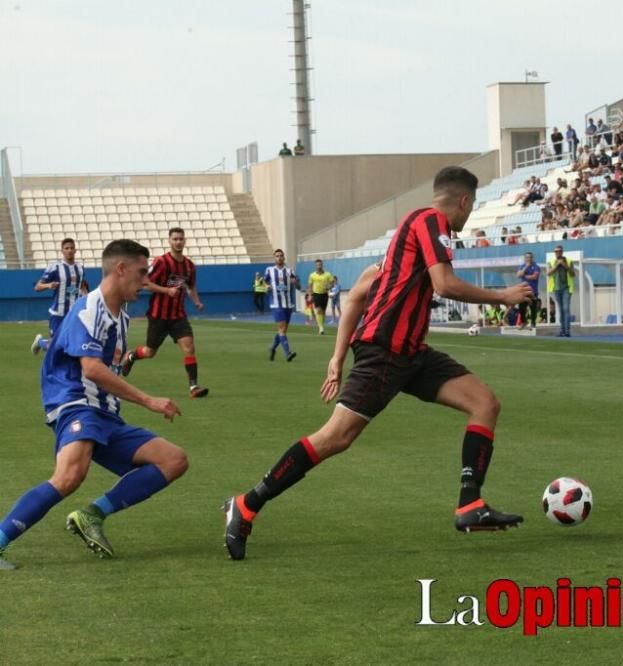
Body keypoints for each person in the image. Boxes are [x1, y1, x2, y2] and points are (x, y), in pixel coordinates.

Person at [221, 166, 533, 560]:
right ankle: (247, 504)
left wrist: (336, 358)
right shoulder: (429, 222)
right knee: (336, 437)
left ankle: (470, 505)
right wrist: (502, 296)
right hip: (385, 350)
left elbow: (356, 296)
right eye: (469, 210)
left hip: (411, 353)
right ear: (464, 201)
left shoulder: (404, 244)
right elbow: (444, 284)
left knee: (485, 403)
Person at [0, 240, 187, 571]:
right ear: (120, 269)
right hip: (76, 402)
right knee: (70, 474)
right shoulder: (90, 309)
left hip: (105, 412)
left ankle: (92, 515)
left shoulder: (121, 318)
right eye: (142, 272)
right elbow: (91, 369)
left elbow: (106, 363)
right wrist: (149, 400)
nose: (146, 281)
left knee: (173, 460)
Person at [120, 227, 209, 399]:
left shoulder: (190, 266)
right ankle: (131, 356)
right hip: (158, 315)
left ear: (185, 241)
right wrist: (166, 291)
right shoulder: (161, 262)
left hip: (178, 315)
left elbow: (191, 287)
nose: (178, 242)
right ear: (169, 241)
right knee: (149, 352)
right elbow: (145, 283)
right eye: (175, 239)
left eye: (181, 239)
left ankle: (194, 387)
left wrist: (196, 301)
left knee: (189, 347)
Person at [31, 238, 87, 355]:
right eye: (67, 248)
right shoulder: (55, 268)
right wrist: (48, 285)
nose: (69, 250)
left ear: (75, 250)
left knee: (74, 344)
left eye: (72, 248)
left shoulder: (80, 269)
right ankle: (40, 342)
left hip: (74, 314)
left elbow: (77, 287)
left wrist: (85, 295)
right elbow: (37, 287)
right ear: (62, 251)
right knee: (54, 346)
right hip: (58, 313)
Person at [265, 249, 300, 361]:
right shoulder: (270, 270)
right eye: (277, 256)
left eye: (281, 256)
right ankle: (288, 353)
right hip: (276, 304)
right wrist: (267, 287)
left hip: (288, 305)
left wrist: (296, 283)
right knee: (282, 329)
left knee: (283, 330)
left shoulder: (290, 271)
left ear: (284, 257)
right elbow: (264, 282)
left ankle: (272, 348)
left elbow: (298, 286)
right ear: (274, 258)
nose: (279, 258)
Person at [546, 245, 575, 337]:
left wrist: (564, 265)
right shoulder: (551, 261)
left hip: (566, 288)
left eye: (559, 251)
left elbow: (573, 274)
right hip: (556, 288)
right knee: (561, 309)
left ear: (562, 252)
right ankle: (562, 330)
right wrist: (557, 265)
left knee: (566, 308)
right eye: (556, 251)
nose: (557, 253)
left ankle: (567, 331)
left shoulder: (569, 261)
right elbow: (548, 273)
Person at [307, 259, 335, 335]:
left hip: (324, 294)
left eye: (320, 264)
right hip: (316, 294)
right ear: (315, 266)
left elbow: (332, 283)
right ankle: (321, 328)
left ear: (322, 265)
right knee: (318, 310)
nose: (319, 266)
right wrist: (310, 295)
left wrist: (329, 287)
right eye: (317, 265)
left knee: (323, 311)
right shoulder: (312, 275)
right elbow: (310, 285)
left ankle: (321, 326)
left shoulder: (327, 274)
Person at [515, 251, 541, 329]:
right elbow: (518, 275)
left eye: (530, 257)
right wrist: (526, 267)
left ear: (532, 258)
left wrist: (525, 276)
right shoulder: (522, 266)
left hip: (533, 291)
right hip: (524, 291)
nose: (528, 259)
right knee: (521, 307)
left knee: (533, 308)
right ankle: (524, 322)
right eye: (527, 257)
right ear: (525, 258)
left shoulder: (536, 266)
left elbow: (535, 277)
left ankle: (533, 323)